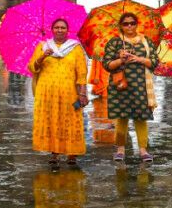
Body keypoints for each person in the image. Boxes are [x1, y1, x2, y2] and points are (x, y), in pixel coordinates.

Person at [28, 18, 88, 165]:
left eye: (62, 28)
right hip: (47, 92)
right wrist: (43, 56)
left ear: (67, 30)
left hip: (69, 91)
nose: (59, 30)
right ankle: (54, 152)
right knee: (52, 120)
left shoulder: (75, 48)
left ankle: (72, 152)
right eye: (56, 27)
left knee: (70, 120)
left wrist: (82, 93)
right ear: (52, 29)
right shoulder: (43, 46)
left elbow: (81, 72)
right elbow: (32, 67)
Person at [102, 12, 159, 162]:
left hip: (141, 85)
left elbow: (154, 62)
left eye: (132, 23)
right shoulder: (114, 42)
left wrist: (139, 59)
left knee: (141, 117)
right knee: (122, 117)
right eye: (126, 23)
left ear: (136, 24)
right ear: (121, 25)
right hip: (121, 85)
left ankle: (143, 150)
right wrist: (120, 60)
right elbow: (107, 65)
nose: (129, 26)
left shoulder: (146, 41)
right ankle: (120, 150)